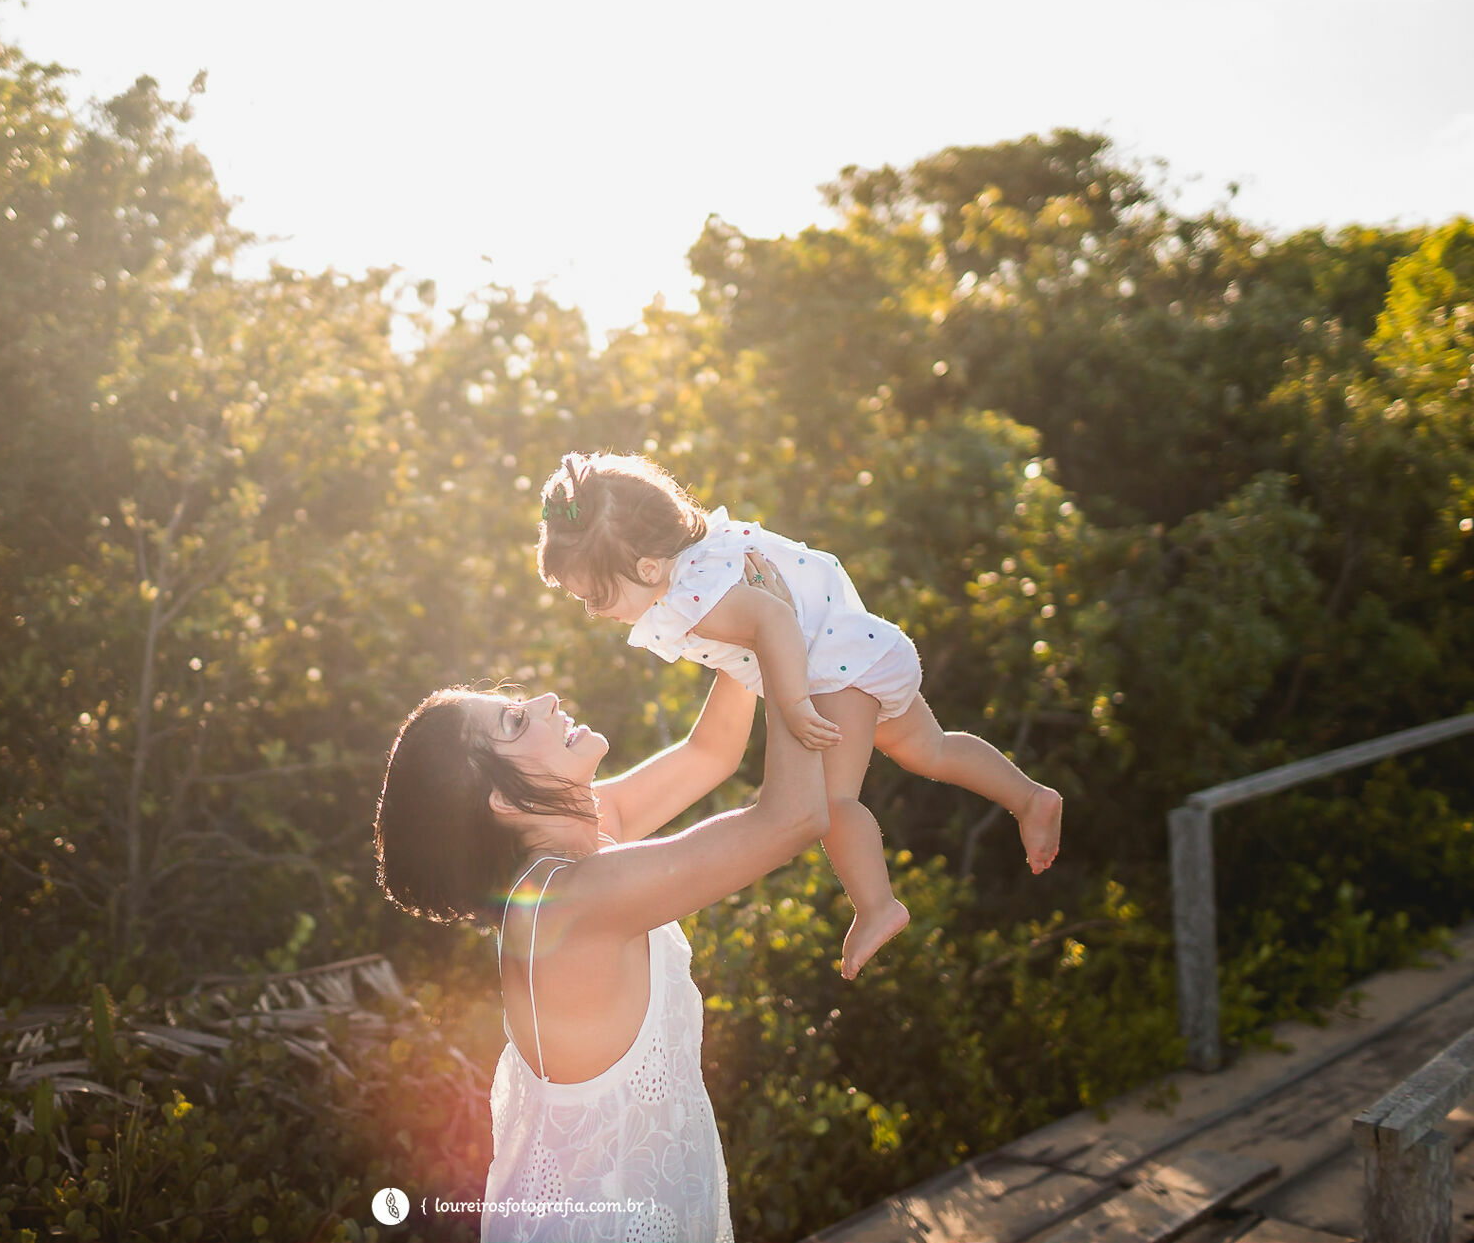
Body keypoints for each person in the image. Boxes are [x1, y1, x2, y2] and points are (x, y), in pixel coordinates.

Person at [534, 450, 1063, 979]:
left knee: (831, 803)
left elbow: (773, 618)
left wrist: (793, 705)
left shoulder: (693, 596)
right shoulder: (703, 558)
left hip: (836, 674)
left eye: (595, 596)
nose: (592, 610)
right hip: (864, 647)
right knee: (932, 748)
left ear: (647, 569)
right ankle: (1030, 797)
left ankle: (879, 905)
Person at [374, 672, 827, 1242]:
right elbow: (793, 817)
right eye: (515, 720)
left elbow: (711, 752)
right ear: (506, 801)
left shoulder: (574, 838)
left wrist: (745, 616)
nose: (545, 701)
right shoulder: (568, 903)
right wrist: (780, 634)